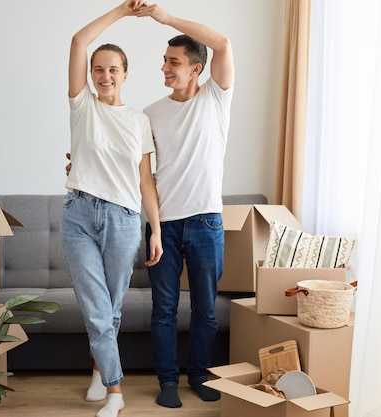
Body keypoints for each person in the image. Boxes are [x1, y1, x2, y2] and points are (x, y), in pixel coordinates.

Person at [61, 2, 163, 417]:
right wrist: (123, 9)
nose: (104, 76)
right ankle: (116, 393)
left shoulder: (139, 121)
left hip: (123, 219)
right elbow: (78, 40)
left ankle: (100, 369)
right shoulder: (82, 105)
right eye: (98, 69)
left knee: (111, 309)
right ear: (90, 75)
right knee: (96, 306)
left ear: (125, 74)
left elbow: (145, 181)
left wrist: (154, 228)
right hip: (79, 215)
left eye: (113, 70)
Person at [133, 3, 235, 409]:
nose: (164, 69)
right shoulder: (150, 114)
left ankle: (198, 375)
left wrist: (165, 17)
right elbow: (143, 177)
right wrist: (155, 227)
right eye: (164, 61)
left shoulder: (216, 97)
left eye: (173, 62)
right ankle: (168, 381)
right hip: (166, 226)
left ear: (196, 68)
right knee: (164, 311)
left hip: (207, 222)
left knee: (206, 311)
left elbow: (223, 44)